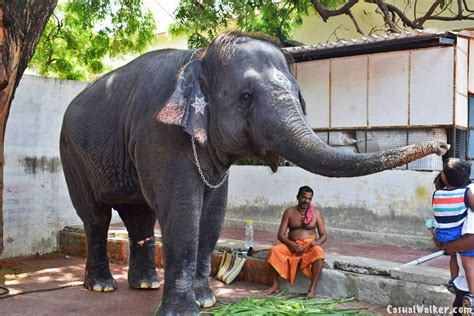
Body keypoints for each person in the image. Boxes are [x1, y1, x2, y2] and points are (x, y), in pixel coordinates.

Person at [265, 185, 327, 298]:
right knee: (274, 250)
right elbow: (280, 235)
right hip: (291, 247)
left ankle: (312, 290)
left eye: (309, 199)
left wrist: (316, 243)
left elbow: (324, 235)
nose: (306, 201)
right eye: (304, 197)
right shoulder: (289, 212)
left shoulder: (316, 213)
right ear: (298, 197)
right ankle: (275, 285)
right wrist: (292, 244)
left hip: (309, 247)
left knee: (319, 253)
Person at [432, 158, 474, 313]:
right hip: (457, 236)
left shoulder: (437, 194)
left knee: (453, 256)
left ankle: (453, 282)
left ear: (444, 177)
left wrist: (444, 244)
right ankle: (472, 295)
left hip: (442, 233)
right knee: (468, 263)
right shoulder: (467, 192)